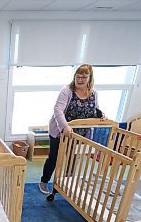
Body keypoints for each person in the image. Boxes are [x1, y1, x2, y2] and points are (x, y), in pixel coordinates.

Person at [38, 64, 105, 195]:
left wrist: (101, 115)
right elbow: (58, 110)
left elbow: (94, 109)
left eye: (84, 77)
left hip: (78, 134)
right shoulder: (67, 91)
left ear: (90, 78)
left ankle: (67, 183)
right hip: (59, 131)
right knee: (54, 157)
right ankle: (44, 181)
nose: (80, 80)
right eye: (78, 77)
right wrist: (65, 127)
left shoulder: (93, 93)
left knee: (73, 158)